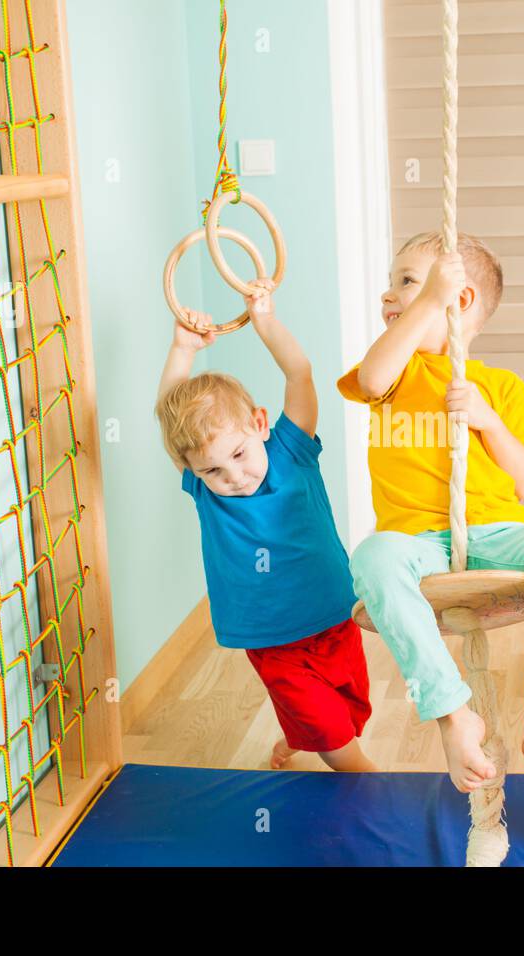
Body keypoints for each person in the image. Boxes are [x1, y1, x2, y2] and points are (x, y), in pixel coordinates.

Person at [339, 232, 524, 828]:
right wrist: (425, 302)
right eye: (395, 281)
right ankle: (453, 713)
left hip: (496, 531)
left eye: (406, 280)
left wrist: (486, 419)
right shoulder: (392, 374)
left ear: (460, 301)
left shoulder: (502, 385)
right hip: (415, 539)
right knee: (373, 559)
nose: (390, 292)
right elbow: (375, 376)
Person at [156, 280, 376, 773]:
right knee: (338, 740)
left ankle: (298, 738)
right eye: (212, 470)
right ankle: (370, 782)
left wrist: (265, 321)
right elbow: (170, 423)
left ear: (259, 423)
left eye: (238, 454)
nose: (233, 476)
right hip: (272, 643)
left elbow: (299, 372)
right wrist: (181, 350)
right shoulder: (204, 491)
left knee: (350, 709)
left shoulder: (292, 452)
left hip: (336, 618)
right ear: (194, 469)